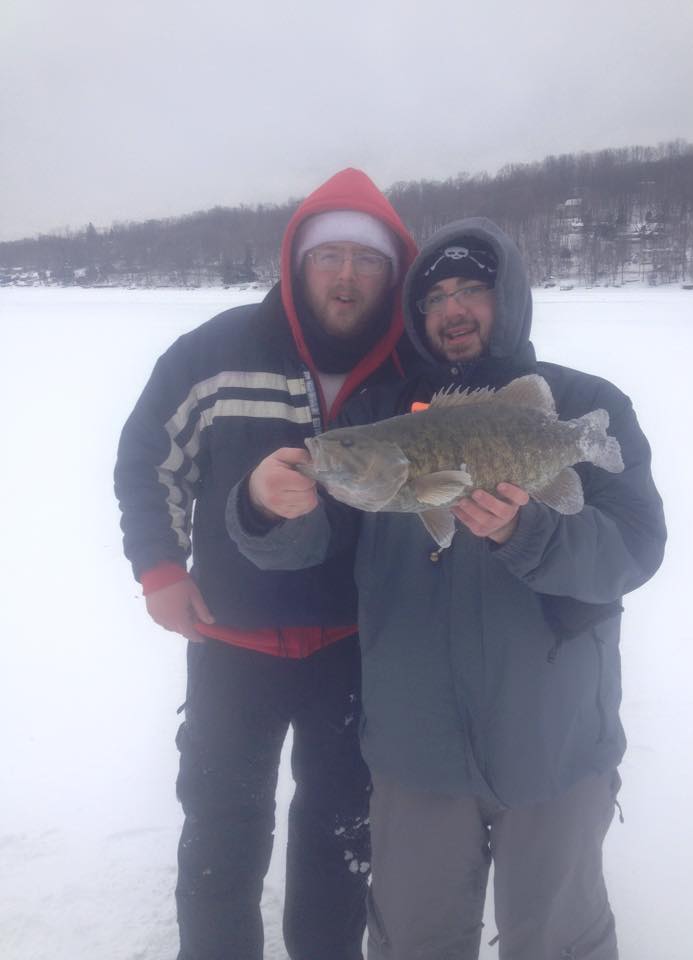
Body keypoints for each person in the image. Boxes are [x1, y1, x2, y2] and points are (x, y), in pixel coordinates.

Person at [228, 217, 667, 960]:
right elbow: (318, 554)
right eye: (433, 298)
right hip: (415, 751)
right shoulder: (375, 420)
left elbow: (634, 550)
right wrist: (266, 512)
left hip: (553, 744)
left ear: (512, 297)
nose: (453, 308)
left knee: (560, 941)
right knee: (415, 942)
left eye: (472, 289)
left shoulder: (581, 403)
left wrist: (528, 533)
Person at [114, 167, 418, 960]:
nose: (347, 275)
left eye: (368, 259)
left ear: (393, 275)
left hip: (355, 647)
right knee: (222, 840)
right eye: (329, 256)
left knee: (338, 840)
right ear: (297, 263)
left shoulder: (408, 379)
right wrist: (160, 568)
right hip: (233, 648)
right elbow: (150, 460)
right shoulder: (214, 354)